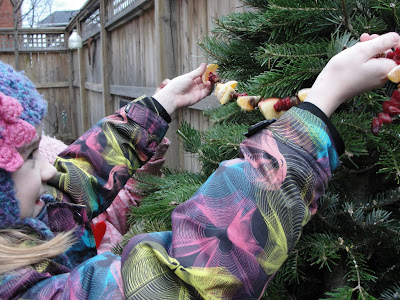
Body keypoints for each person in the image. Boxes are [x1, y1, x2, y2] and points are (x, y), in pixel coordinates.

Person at [0, 32, 398, 299]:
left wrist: (158, 107)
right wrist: (317, 109)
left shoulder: (17, 229)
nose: (50, 170)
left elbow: (73, 185)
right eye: (32, 158)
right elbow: (191, 274)